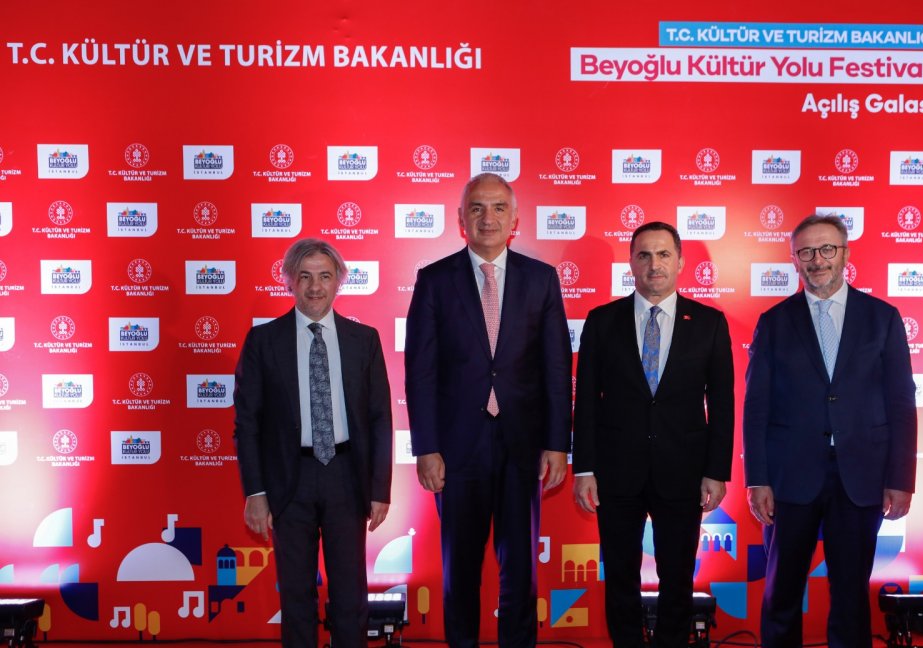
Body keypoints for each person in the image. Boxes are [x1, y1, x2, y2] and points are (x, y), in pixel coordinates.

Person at [405, 173, 572, 647]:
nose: (488, 217)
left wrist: (558, 444)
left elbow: (557, 369)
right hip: (457, 451)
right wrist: (426, 448)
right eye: (476, 208)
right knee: (460, 568)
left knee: (520, 568)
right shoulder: (434, 280)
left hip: (523, 447)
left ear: (515, 218)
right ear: (461, 218)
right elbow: (420, 372)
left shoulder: (541, 280)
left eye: (499, 207)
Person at [743, 214, 917, 648]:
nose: (817, 260)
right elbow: (756, 405)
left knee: (851, 597)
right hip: (789, 478)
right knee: (781, 592)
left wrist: (900, 479)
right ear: (794, 259)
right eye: (806, 251)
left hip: (861, 476)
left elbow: (901, 403)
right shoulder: (774, 322)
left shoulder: (882, 318)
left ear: (845, 254)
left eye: (826, 249)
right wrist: (757, 478)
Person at [573, 221, 735, 647]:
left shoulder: (709, 323)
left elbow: (722, 404)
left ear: (680, 262)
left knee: (677, 577)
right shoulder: (602, 321)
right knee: (620, 576)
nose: (654, 264)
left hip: (683, 471)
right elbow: (586, 400)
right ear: (631, 263)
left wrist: (716, 471)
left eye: (663, 254)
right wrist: (584, 469)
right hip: (616, 472)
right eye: (644, 255)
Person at [234, 238, 393, 647]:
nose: (315, 287)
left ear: (339, 280)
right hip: (289, 482)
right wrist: (256, 493)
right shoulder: (263, 342)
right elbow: (247, 424)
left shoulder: (365, 340)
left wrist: (380, 489)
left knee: (350, 597)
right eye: (305, 277)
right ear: (289, 281)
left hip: (346, 478)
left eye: (324, 276)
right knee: (296, 596)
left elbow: (380, 418)